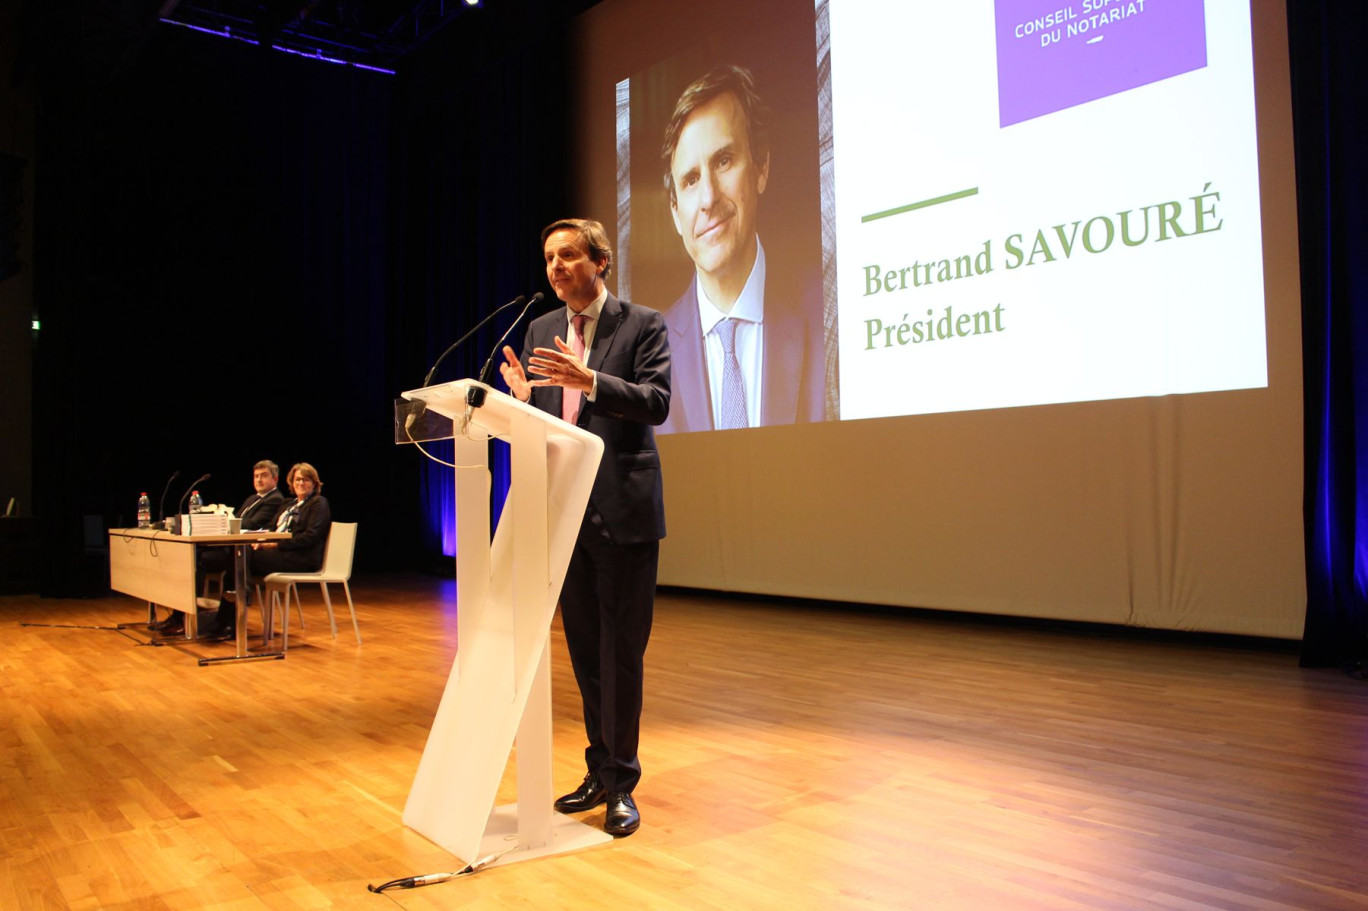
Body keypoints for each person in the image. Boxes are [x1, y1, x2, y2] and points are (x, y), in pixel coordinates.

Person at [499, 218, 670, 837]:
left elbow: (657, 401)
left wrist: (591, 379)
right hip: (563, 515)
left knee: (621, 655)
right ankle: (600, 769)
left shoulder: (642, 324)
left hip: (621, 515)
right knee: (587, 657)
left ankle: (623, 784)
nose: (556, 268)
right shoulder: (543, 329)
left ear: (601, 261)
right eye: (548, 258)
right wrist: (520, 403)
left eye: (568, 255)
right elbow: (551, 419)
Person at [658, 64, 824, 433]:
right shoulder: (647, 354)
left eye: (723, 161)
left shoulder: (830, 315)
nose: (708, 198)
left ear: (761, 165)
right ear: (674, 212)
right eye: (690, 180)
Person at [154, 459, 287, 637]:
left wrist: (223, 517)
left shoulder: (275, 499)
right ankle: (182, 615)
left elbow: (249, 523)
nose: (259, 480)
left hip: (246, 552)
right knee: (192, 556)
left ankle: (187, 618)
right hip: (232, 549)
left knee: (198, 561)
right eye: (256, 476)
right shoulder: (252, 498)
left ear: (275, 479)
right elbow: (236, 520)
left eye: (264, 476)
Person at [247, 461, 331, 582]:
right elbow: (271, 528)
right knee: (241, 551)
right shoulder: (288, 503)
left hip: (300, 557)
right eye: (297, 479)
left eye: (306, 479)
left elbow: (310, 537)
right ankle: (238, 594)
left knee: (243, 557)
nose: (301, 483)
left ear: (314, 483)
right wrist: (259, 540)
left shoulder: (318, 503)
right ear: (292, 482)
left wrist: (274, 544)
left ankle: (240, 595)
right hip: (280, 552)